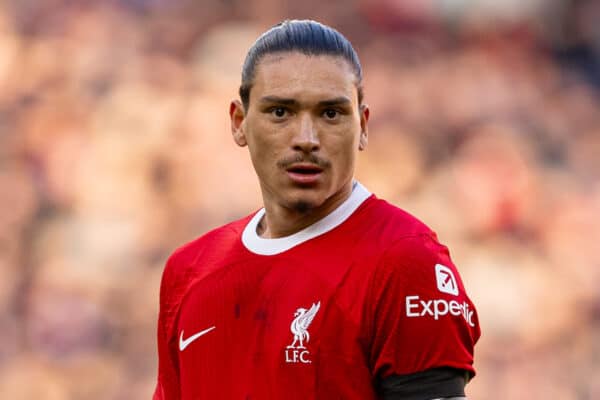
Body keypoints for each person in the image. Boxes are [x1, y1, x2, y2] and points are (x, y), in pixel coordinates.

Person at [153, 19, 480, 400]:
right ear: (239, 123)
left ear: (363, 126)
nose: (306, 139)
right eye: (280, 112)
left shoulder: (406, 261)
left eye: (330, 114)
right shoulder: (189, 270)